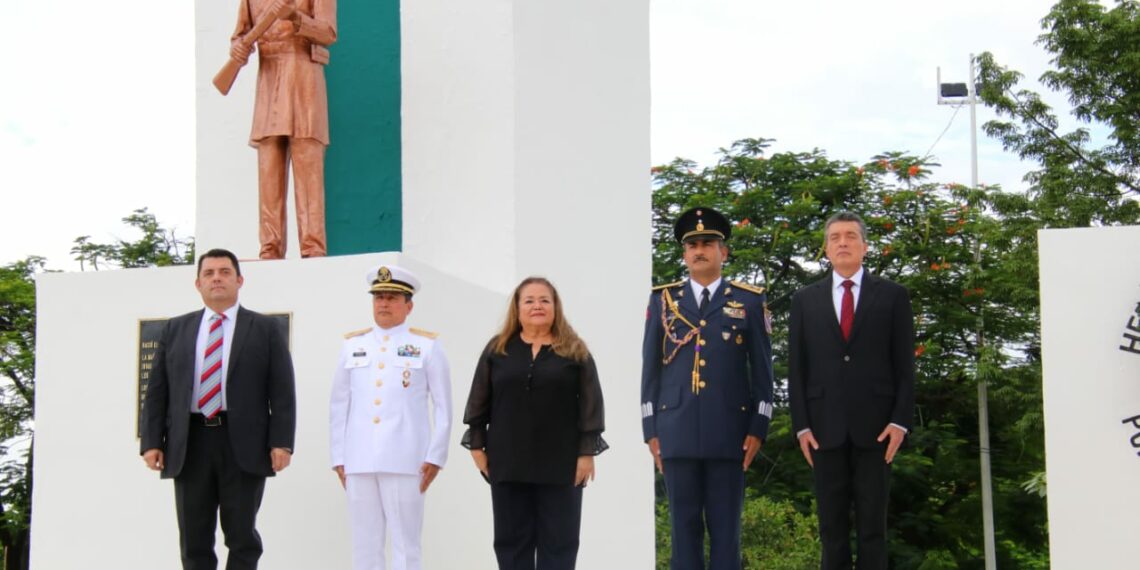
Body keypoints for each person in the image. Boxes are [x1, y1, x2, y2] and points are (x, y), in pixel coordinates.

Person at [140, 248, 296, 570]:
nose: (217, 279)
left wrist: (281, 442)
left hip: (243, 444)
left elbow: (282, 390)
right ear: (198, 283)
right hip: (190, 443)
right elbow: (157, 390)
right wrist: (152, 441)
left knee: (242, 537)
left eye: (225, 272)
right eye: (209, 273)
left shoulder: (264, 329)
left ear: (239, 280)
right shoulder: (175, 329)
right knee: (194, 539)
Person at [640, 206, 774, 570]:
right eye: (693, 245)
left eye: (708, 244)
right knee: (683, 534)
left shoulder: (748, 301)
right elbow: (650, 370)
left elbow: (763, 372)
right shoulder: (663, 301)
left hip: (730, 432)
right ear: (685, 254)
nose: (699, 251)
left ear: (723, 252)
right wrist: (650, 429)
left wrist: (758, 427)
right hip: (675, 430)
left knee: (726, 533)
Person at [788, 211, 915, 569]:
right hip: (822, 429)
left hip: (878, 430)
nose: (842, 243)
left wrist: (900, 422)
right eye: (835, 238)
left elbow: (905, 366)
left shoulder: (893, 296)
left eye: (850, 236)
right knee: (832, 529)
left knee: (874, 528)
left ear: (865, 246)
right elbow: (797, 369)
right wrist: (802, 426)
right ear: (826, 249)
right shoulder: (805, 300)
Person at [461, 277, 607, 570]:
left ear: (555, 307)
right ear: (517, 308)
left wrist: (586, 453)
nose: (537, 306)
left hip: (562, 465)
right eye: (529, 300)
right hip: (508, 463)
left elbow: (591, 405)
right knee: (511, 544)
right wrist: (477, 446)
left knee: (560, 544)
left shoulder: (575, 350)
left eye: (544, 300)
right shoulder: (498, 349)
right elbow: (479, 397)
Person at [329, 264, 453, 570]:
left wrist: (435, 456)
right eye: (379, 297)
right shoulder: (353, 345)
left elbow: (443, 407)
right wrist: (339, 457)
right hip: (359, 458)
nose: (383, 303)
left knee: (406, 545)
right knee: (364, 544)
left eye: (392, 298)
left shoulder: (427, 346)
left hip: (407, 459)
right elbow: (339, 404)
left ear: (409, 306)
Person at [229, 0, 336, 259]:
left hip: (303, 76)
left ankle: (312, 247)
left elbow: (328, 33)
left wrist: (295, 17)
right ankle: (270, 248)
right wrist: (238, 48)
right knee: (269, 168)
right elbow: (239, 35)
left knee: (308, 166)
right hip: (269, 77)